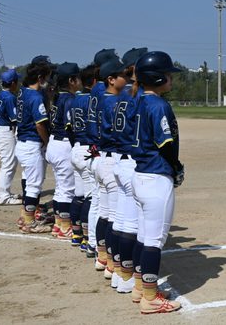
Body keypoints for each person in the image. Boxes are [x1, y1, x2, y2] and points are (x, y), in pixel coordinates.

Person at [130, 51, 183, 313]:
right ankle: (150, 299)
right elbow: (166, 144)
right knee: (153, 241)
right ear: (158, 77)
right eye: (169, 74)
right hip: (156, 175)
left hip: (139, 173)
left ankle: (141, 288)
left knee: (143, 236)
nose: (171, 78)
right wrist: (176, 167)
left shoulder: (137, 100)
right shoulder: (159, 105)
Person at [112, 46, 148, 294]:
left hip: (118, 159)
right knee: (132, 225)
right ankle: (129, 276)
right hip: (133, 162)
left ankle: (119, 273)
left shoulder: (121, 93)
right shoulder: (140, 95)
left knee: (121, 219)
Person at [96, 58, 127, 286]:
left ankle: (104, 257)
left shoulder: (103, 98)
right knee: (115, 218)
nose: (126, 79)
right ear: (111, 79)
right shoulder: (113, 101)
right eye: (122, 75)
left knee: (105, 214)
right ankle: (113, 264)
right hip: (112, 157)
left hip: (102, 156)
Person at [15, 60, 53, 234]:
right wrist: (47, 142)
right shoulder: (36, 96)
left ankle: (25, 217)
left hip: (22, 143)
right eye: (46, 77)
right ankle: (29, 223)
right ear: (39, 77)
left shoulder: (22, 92)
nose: (48, 80)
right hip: (31, 144)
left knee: (31, 183)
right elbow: (40, 125)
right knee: (34, 186)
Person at [45, 62, 81, 239]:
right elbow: (71, 127)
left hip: (54, 143)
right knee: (67, 189)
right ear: (72, 80)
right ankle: (65, 226)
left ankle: (58, 225)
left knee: (61, 188)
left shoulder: (57, 97)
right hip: (64, 144)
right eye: (78, 78)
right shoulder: (69, 99)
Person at [66, 64, 98, 252]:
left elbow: (69, 128)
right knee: (91, 197)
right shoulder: (93, 100)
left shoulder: (74, 99)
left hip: (77, 147)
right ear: (94, 81)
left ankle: (77, 234)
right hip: (88, 149)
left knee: (78, 195)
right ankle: (87, 238)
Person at [0, 69, 23, 205]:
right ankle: (3, 196)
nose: (18, 83)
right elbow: (15, 118)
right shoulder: (10, 97)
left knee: (9, 164)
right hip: (5, 133)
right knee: (8, 165)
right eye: (16, 81)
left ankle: (6, 192)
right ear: (12, 83)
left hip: (1, 131)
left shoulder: (2, 94)